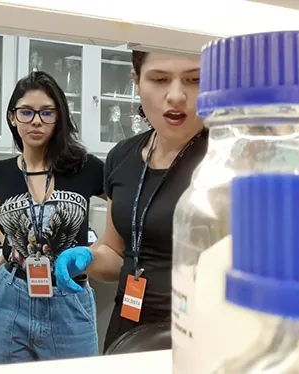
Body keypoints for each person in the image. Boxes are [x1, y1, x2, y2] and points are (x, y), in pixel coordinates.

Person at [54, 51, 206, 352]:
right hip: (128, 319)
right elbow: (114, 252)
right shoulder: (121, 157)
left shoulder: (228, 159)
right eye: (159, 79)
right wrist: (88, 258)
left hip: (198, 328)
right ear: (136, 81)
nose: (176, 96)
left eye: (195, 80)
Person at [0, 71, 104, 364]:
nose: (36, 121)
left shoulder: (85, 168)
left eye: (47, 113)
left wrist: (103, 250)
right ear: (12, 117)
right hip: (9, 295)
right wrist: (8, 240)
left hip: (68, 297)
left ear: (59, 118)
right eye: (27, 112)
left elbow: (124, 206)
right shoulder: (0, 172)